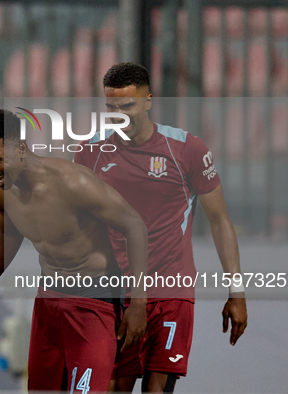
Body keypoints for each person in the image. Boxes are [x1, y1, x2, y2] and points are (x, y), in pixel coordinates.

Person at [73, 62, 248, 393]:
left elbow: (220, 221)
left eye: (128, 106)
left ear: (149, 101)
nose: (119, 115)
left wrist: (236, 291)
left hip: (171, 290)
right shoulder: (89, 153)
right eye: (111, 108)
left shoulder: (186, 150)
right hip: (115, 292)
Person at [0, 109, 149, 391]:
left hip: (94, 302)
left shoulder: (74, 183)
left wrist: (139, 304)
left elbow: (135, 226)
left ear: (21, 150)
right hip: (48, 303)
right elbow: (8, 235)